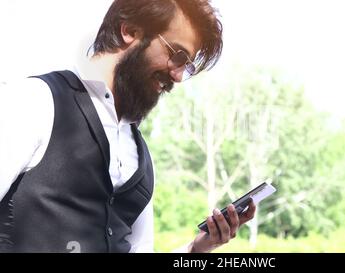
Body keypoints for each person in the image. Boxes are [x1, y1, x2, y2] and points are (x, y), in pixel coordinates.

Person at [0, 0, 255, 253]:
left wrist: (196, 249)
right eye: (177, 55)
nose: (177, 76)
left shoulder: (141, 155)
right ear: (130, 31)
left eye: (185, 66)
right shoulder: (33, 101)